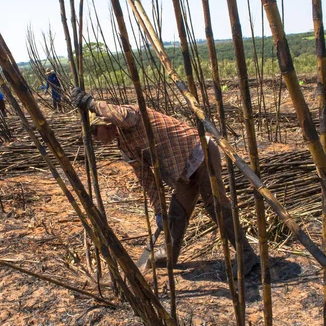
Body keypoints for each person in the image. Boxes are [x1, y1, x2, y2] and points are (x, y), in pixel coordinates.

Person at [71, 87, 259, 276]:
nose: (94, 139)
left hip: (200, 153)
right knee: (176, 213)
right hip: (183, 171)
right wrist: (159, 211)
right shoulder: (125, 148)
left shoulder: (131, 116)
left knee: (215, 205)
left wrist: (91, 104)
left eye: (94, 132)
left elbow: (119, 115)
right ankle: (170, 254)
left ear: (105, 123)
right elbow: (148, 180)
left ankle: (246, 254)